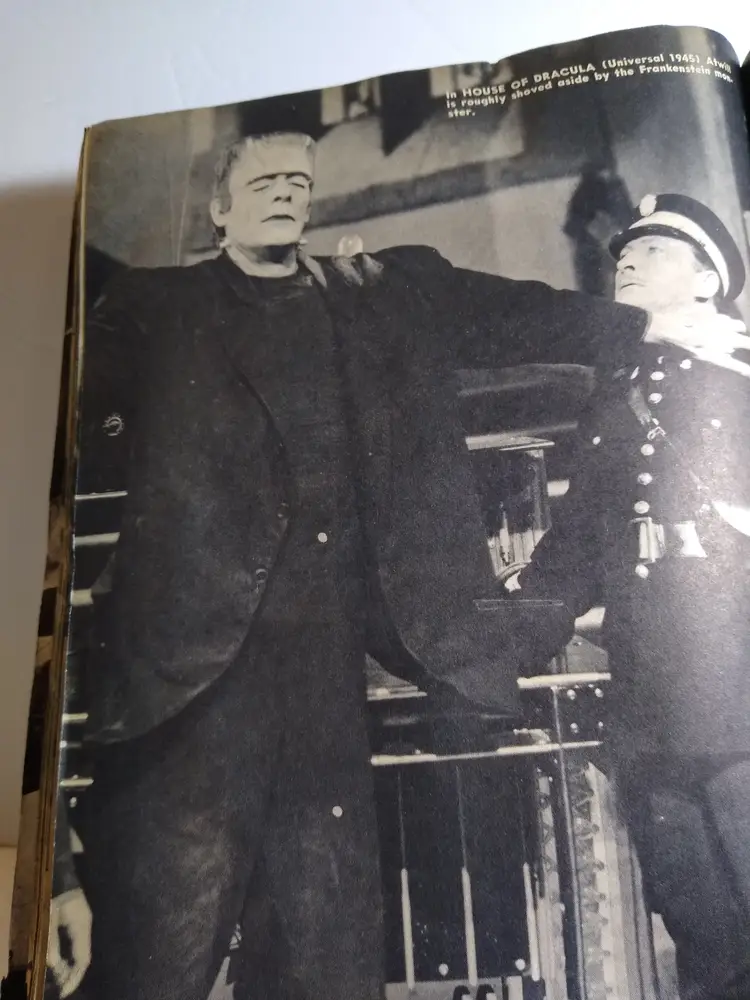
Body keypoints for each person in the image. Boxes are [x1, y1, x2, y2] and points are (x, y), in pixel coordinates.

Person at [72, 136, 735, 1000]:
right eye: (262, 182)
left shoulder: (368, 291)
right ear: (219, 212)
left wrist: (638, 325)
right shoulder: (157, 304)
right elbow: (75, 419)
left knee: (323, 958)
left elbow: (503, 311)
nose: (284, 193)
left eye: (298, 181)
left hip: (323, 685)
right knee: (163, 953)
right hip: (192, 690)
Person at [518, 193, 750, 1000]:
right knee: (699, 927)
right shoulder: (614, 393)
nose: (628, 259)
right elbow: (578, 542)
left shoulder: (741, 374)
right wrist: (505, 628)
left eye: (654, 250)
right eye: (625, 251)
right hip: (649, 695)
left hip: (739, 682)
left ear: (707, 280)